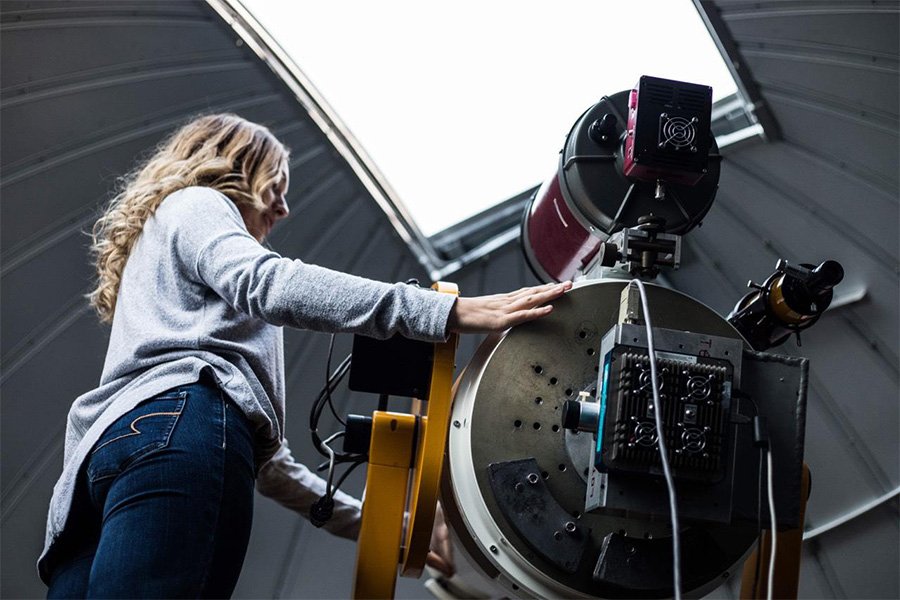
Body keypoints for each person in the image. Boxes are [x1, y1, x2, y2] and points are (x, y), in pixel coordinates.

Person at [39, 113, 571, 598]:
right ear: (236, 163)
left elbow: (271, 470)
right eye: (276, 184)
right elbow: (267, 282)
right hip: (181, 425)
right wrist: (443, 313)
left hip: (94, 468)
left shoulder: (159, 268)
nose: (283, 208)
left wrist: (376, 524)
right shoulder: (199, 204)